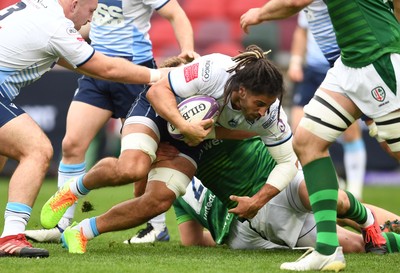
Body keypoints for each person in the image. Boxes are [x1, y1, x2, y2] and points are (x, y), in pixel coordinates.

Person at [39, 46, 299, 254]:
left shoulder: (270, 114)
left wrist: (257, 200)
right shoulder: (215, 69)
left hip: (191, 134)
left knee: (158, 201)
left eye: (269, 105)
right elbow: (157, 91)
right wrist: (183, 125)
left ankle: (81, 232)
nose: (264, 111)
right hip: (159, 112)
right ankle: (72, 190)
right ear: (241, 90)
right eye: (260, 103)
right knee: (132, 168)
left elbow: (288, 161)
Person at [240, 0, 400, 271]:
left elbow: (294, 2)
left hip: (377, 61)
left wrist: (259, 13)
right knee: (307, 142)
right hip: (349, 63)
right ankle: (327, 250)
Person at [0, 0, 167, 258]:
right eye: (91, 12)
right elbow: (106, 66)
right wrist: (158, 76)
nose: (91, 21)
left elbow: (81, 62)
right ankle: (11, 237)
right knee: (38, 150)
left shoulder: (37, 8)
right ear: (75, 4)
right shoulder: (56, 25)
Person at [24, 0, 199, 245]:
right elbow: (91, 26)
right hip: (96, 70)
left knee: (143, 152)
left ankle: (156, 227)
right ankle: (62, 225)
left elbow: (176, 14)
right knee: (72, 144)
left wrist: (187, 50)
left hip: (134, 73)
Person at [175, 172, 400, 253]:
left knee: (338, 209)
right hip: (252, 216)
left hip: (246, 223)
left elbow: (191, 240)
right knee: (337, 209)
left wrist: (220, 231)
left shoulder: (169, 184)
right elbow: (191, 240)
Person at [288, 10, 366, 200]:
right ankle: (333, 183)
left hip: (339, 67)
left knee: (350, 131)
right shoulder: (309, 4)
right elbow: (301, 30)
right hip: (312, 70)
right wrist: (295, 62)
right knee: (298, 129)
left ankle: (355, 191)